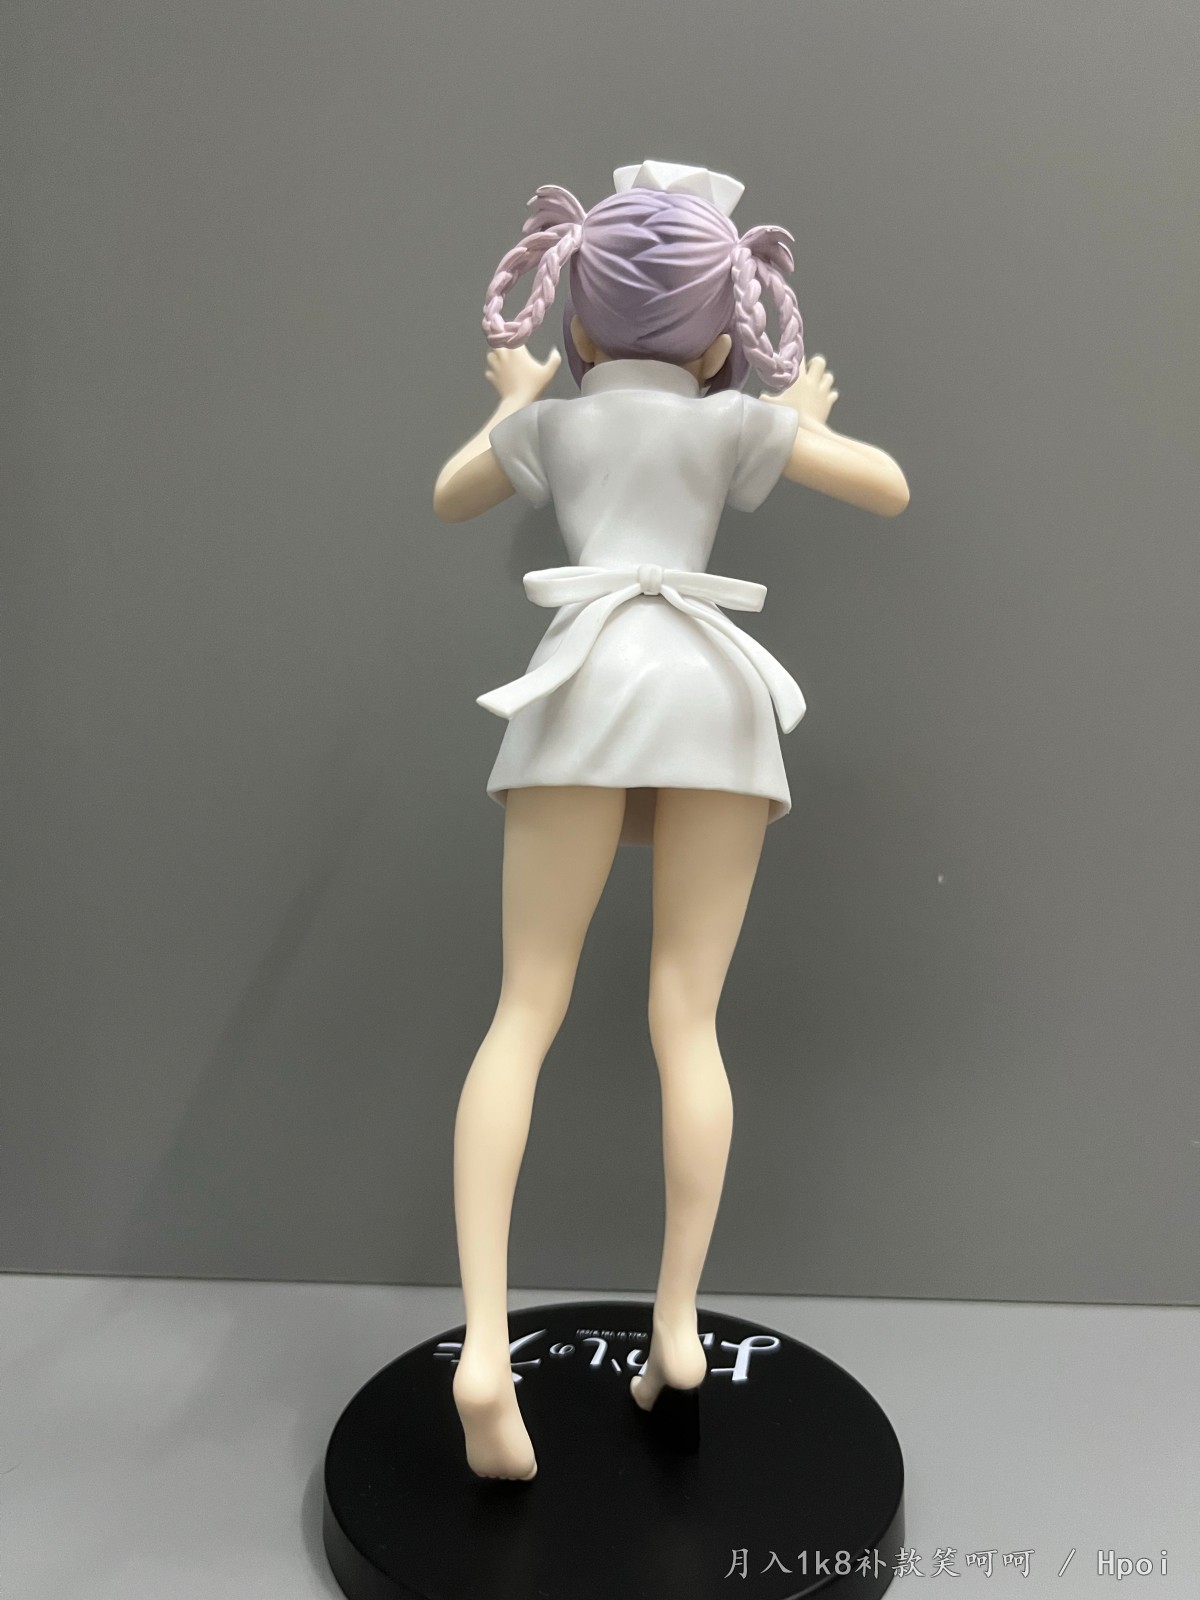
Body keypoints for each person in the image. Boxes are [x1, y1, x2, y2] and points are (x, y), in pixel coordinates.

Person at [432, 160, 909, 1480]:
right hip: (709, 696)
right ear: (719, 334)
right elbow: (886, 485)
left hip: (583, 687)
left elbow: (451, 493)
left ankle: (484, 1351)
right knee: (686, 1018)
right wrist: (791, 416)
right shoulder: (731, 422)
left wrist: (519, 399)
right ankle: (680, 1326)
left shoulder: (556, 423)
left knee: (525, 1008)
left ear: (579, 317)